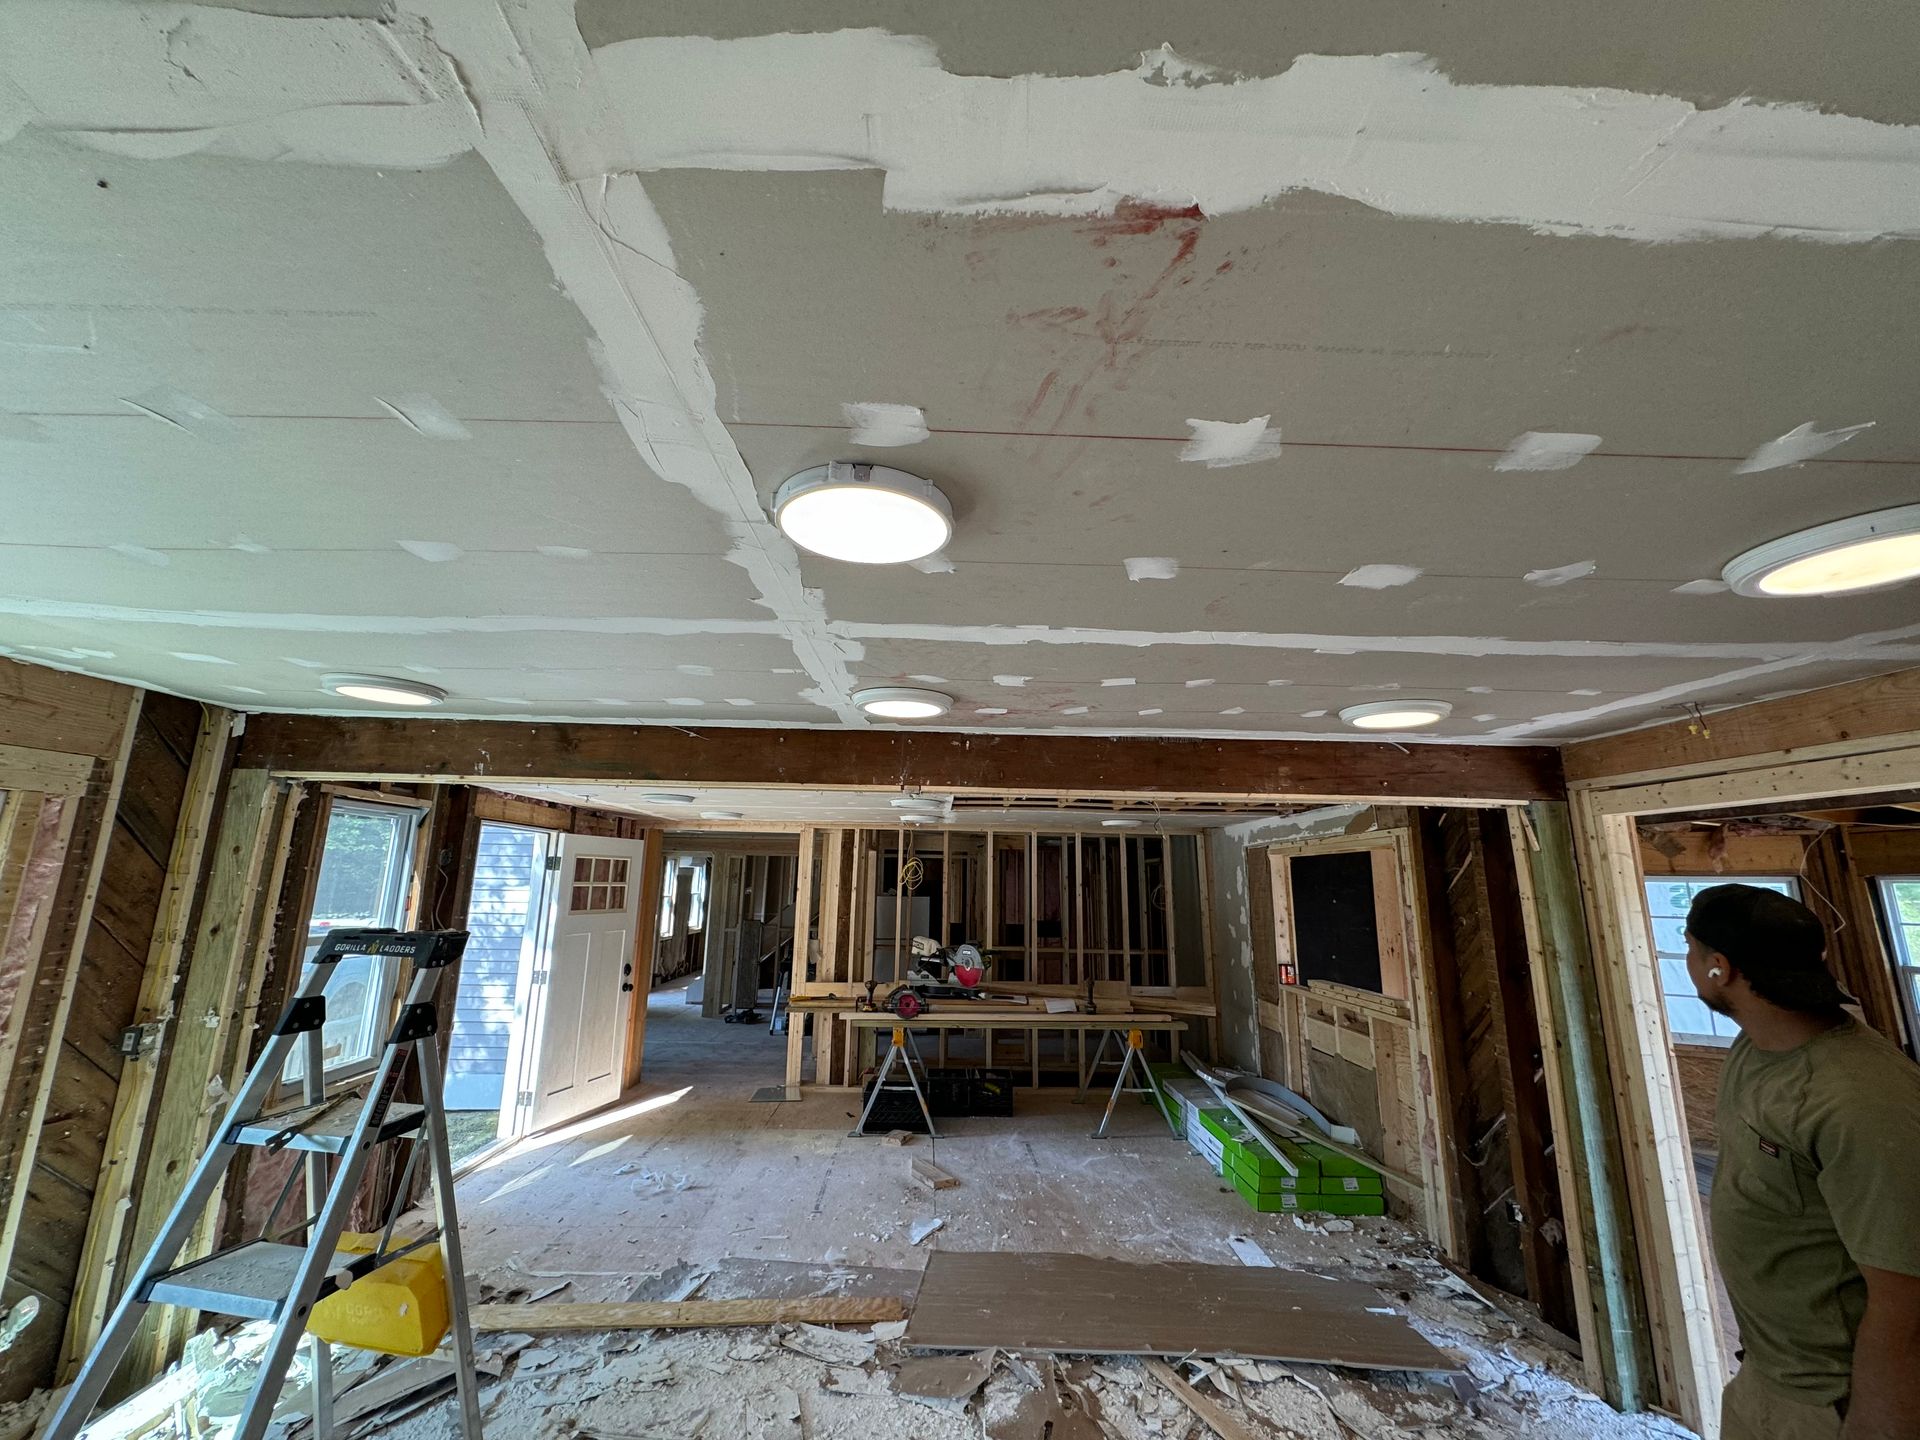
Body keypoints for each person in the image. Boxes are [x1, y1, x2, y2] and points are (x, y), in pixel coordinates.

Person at [1685, 883, 1920, 1440]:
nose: (1687, 959)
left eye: (1688, 947)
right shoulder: (1758, 1044)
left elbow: (1907, 1298)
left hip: (1834, 1402)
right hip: (1769, 1379)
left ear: (1720, 968)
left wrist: (1877, 1424)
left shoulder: (1860, 1100)